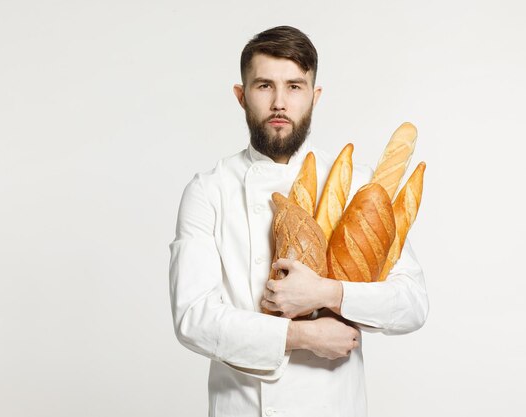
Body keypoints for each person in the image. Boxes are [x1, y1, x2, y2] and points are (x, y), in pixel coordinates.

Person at [169, 25, 428, 417]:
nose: (279, 103)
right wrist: (301, 335)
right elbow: (193, 318)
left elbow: (412, 304)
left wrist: (328, 293)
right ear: (241, 96)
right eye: (263, 86)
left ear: (314, 96)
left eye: (294, 86)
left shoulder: (358, 183)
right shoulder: (208, 191)